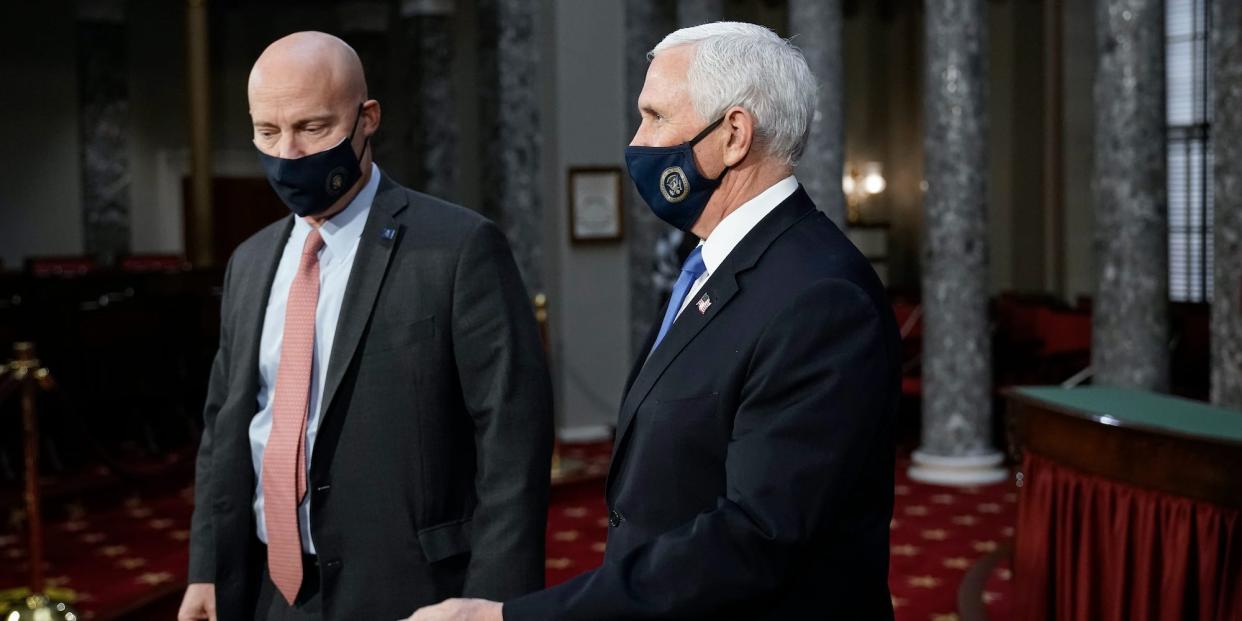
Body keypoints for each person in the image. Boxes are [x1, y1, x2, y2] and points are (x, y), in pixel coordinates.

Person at [411, 21, 901, 621]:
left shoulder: (820, 296)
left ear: (734, 135)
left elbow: (753, 537)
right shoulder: (718, 264)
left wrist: (512, 617)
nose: (638, 142)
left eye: (655, 117)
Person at [177, 31, 553, 621]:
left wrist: (495, 598)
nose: (289, 153)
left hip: (415, 591)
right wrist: (207, 566)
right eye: (268, 132)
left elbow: (513, 433)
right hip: (271, 590)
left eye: (313, 127)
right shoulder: (250, 261)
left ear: (366, 118)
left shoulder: (458, 247)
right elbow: (228, 424)